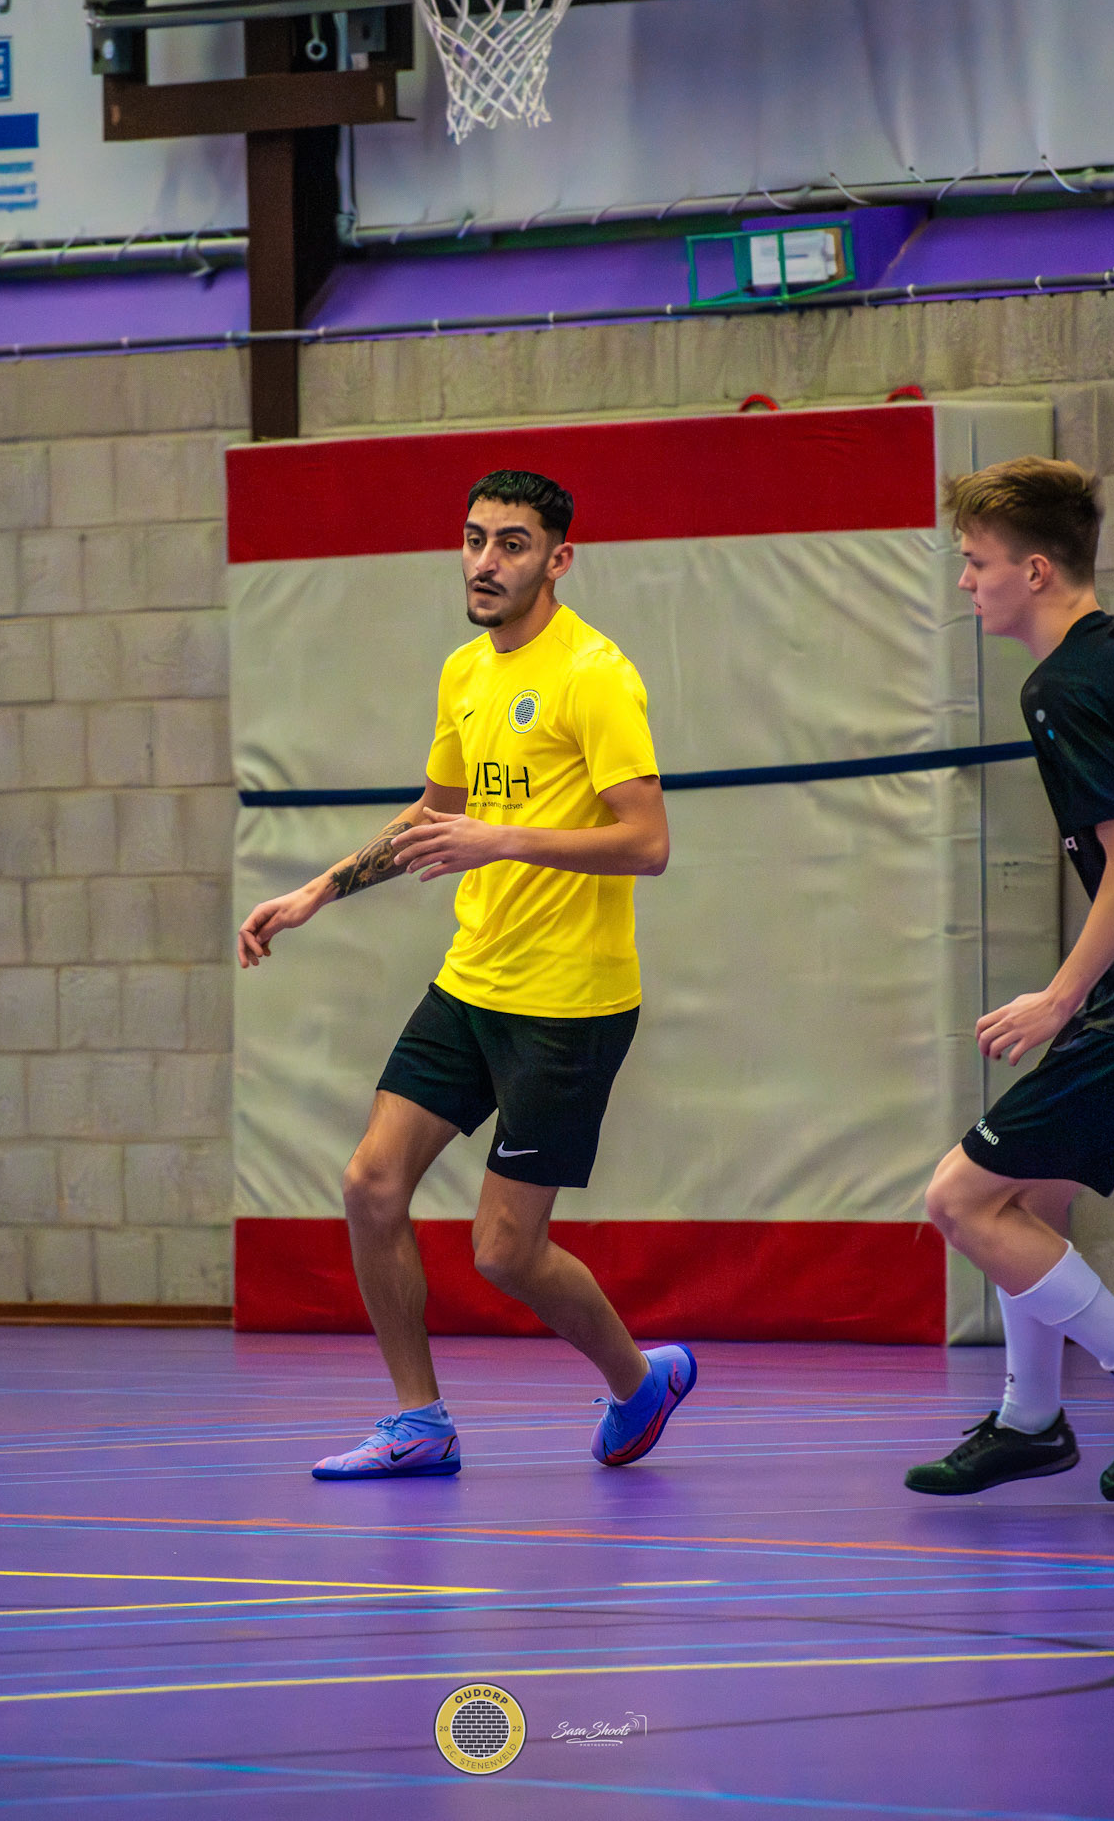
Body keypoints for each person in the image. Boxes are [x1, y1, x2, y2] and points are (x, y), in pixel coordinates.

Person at [237, 468, 696, 1480]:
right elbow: (437, 812)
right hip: (471, 981)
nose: (485, 562)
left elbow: (648, 842)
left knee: (503, 1251)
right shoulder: (464, 672)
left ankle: (639, 1381)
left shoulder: (594, 675)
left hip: (567, 1003)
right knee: (370, 1185)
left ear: (558, 559)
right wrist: (316, 890)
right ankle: (420, 1423)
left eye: (512, 544)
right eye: (475, 539)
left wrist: (504, 838)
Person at [906, 456, 1114, 1503]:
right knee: (1026, 1194)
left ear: (1034, 571)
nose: (966, 582)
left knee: (959, 1198)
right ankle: (1030, 1420)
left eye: (976, 562)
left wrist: (1060, 996)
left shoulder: (1061, 687)